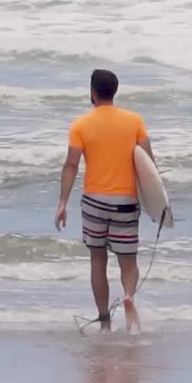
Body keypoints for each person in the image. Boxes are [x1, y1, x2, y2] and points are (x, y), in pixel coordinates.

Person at [56, 69, 154, 331]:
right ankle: (129, 296)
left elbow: (71, 165)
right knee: (128, 262)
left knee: (97, 261)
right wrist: (157, 204)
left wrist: (63, 203)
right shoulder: (134, 121)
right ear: (115, 91)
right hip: (125, 201)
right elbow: (149, 165)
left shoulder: (80, 125)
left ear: (92, 91)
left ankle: (104, 321)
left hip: (94, 202)